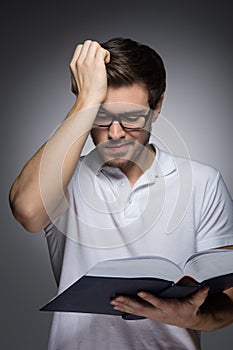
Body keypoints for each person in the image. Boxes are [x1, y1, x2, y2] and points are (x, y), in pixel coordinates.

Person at [9, 37, 233, 350]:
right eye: (100, 117)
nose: (115, 133)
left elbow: (228, 303)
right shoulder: (63, 178)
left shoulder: (204, 182)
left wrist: (188, 318)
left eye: (131, 118)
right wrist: (86, 100)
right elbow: (28, 211)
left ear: (157, 108)